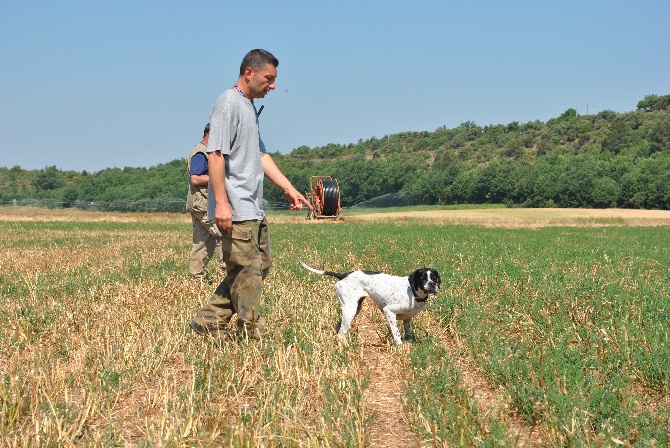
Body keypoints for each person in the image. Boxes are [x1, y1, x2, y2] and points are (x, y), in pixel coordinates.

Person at [189, 49, 313, 343]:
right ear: (249, 73)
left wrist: (289, 188)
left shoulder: (248, 107)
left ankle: (208, 318)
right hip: (236, 207)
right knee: (247, 273)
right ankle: (251, 335)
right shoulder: (227, 103)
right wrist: (221, 204)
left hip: (253, 206)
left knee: (259, 266)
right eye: (269, 78)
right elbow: (216, 155)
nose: (273, 86)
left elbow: (260, 155)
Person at [186, 123, 225, 280]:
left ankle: (196, 278)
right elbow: (195, 178)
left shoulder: (206, 152)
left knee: (203, 242)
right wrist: (220, 177)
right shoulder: (201, 153)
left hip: (201, 204)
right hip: (203, 204)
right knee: (225, 234)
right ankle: (228, 275)